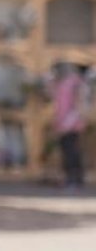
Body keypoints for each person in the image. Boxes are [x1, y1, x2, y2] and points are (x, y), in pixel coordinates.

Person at [51, 62, 90, 190]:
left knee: (71, 152)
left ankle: (74, 180)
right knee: (68, 151)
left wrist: (67, 124)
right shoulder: (63, 82)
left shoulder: (75, 83)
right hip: (64, 122)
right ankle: (72, 178)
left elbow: (78, 105)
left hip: (71, 123)